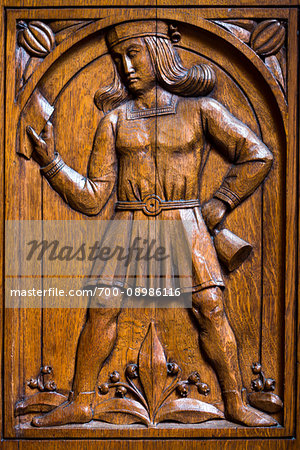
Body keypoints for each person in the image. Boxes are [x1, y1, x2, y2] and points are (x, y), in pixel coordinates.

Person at [26, 20, 276, 427]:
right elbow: (92, 198)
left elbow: (258, 155)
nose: (125, 66)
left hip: (185, 222)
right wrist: (52, 162)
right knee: (101, 311)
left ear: (160, 52)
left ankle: (235, 402)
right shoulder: (115, 120)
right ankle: (82, 401)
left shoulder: (201, 109)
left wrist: (221, 202)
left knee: (211, 308)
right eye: (118, 57)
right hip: (128, 223)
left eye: (134, 53)